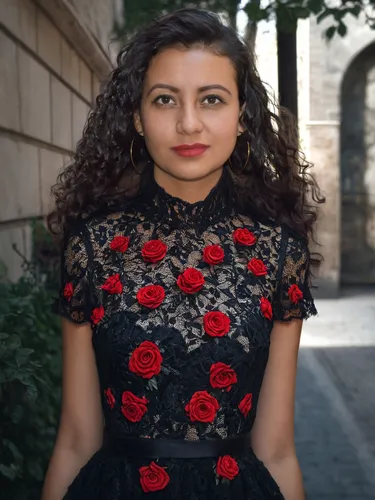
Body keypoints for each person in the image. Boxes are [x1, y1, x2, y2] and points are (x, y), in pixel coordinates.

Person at [42, 8, 324, 500]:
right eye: (165, 100)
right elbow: (76, 439)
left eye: (211, 100)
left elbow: (277, 448)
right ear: (137, 118)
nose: (188, 123)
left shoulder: (281, 254)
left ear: (242, 117)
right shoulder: (92, 248)